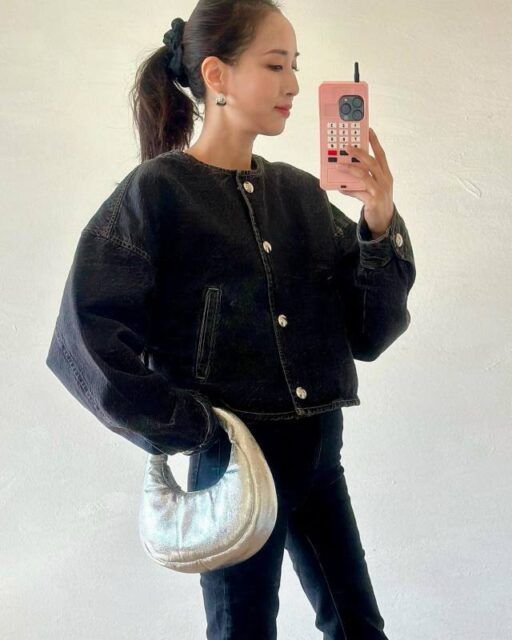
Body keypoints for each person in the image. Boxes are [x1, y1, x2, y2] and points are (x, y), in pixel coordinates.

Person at [45, 1, 416, 638]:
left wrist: (378, 224)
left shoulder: (300, 193)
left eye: (295, 66)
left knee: (359, 627)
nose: (293, 84)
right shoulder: (157, 193)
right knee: (243, 631)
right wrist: (194, 429)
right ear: (216, 75)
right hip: (234, 462)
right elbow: (83, 341)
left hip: (320, 454)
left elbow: (370, 332)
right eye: (275, 65)